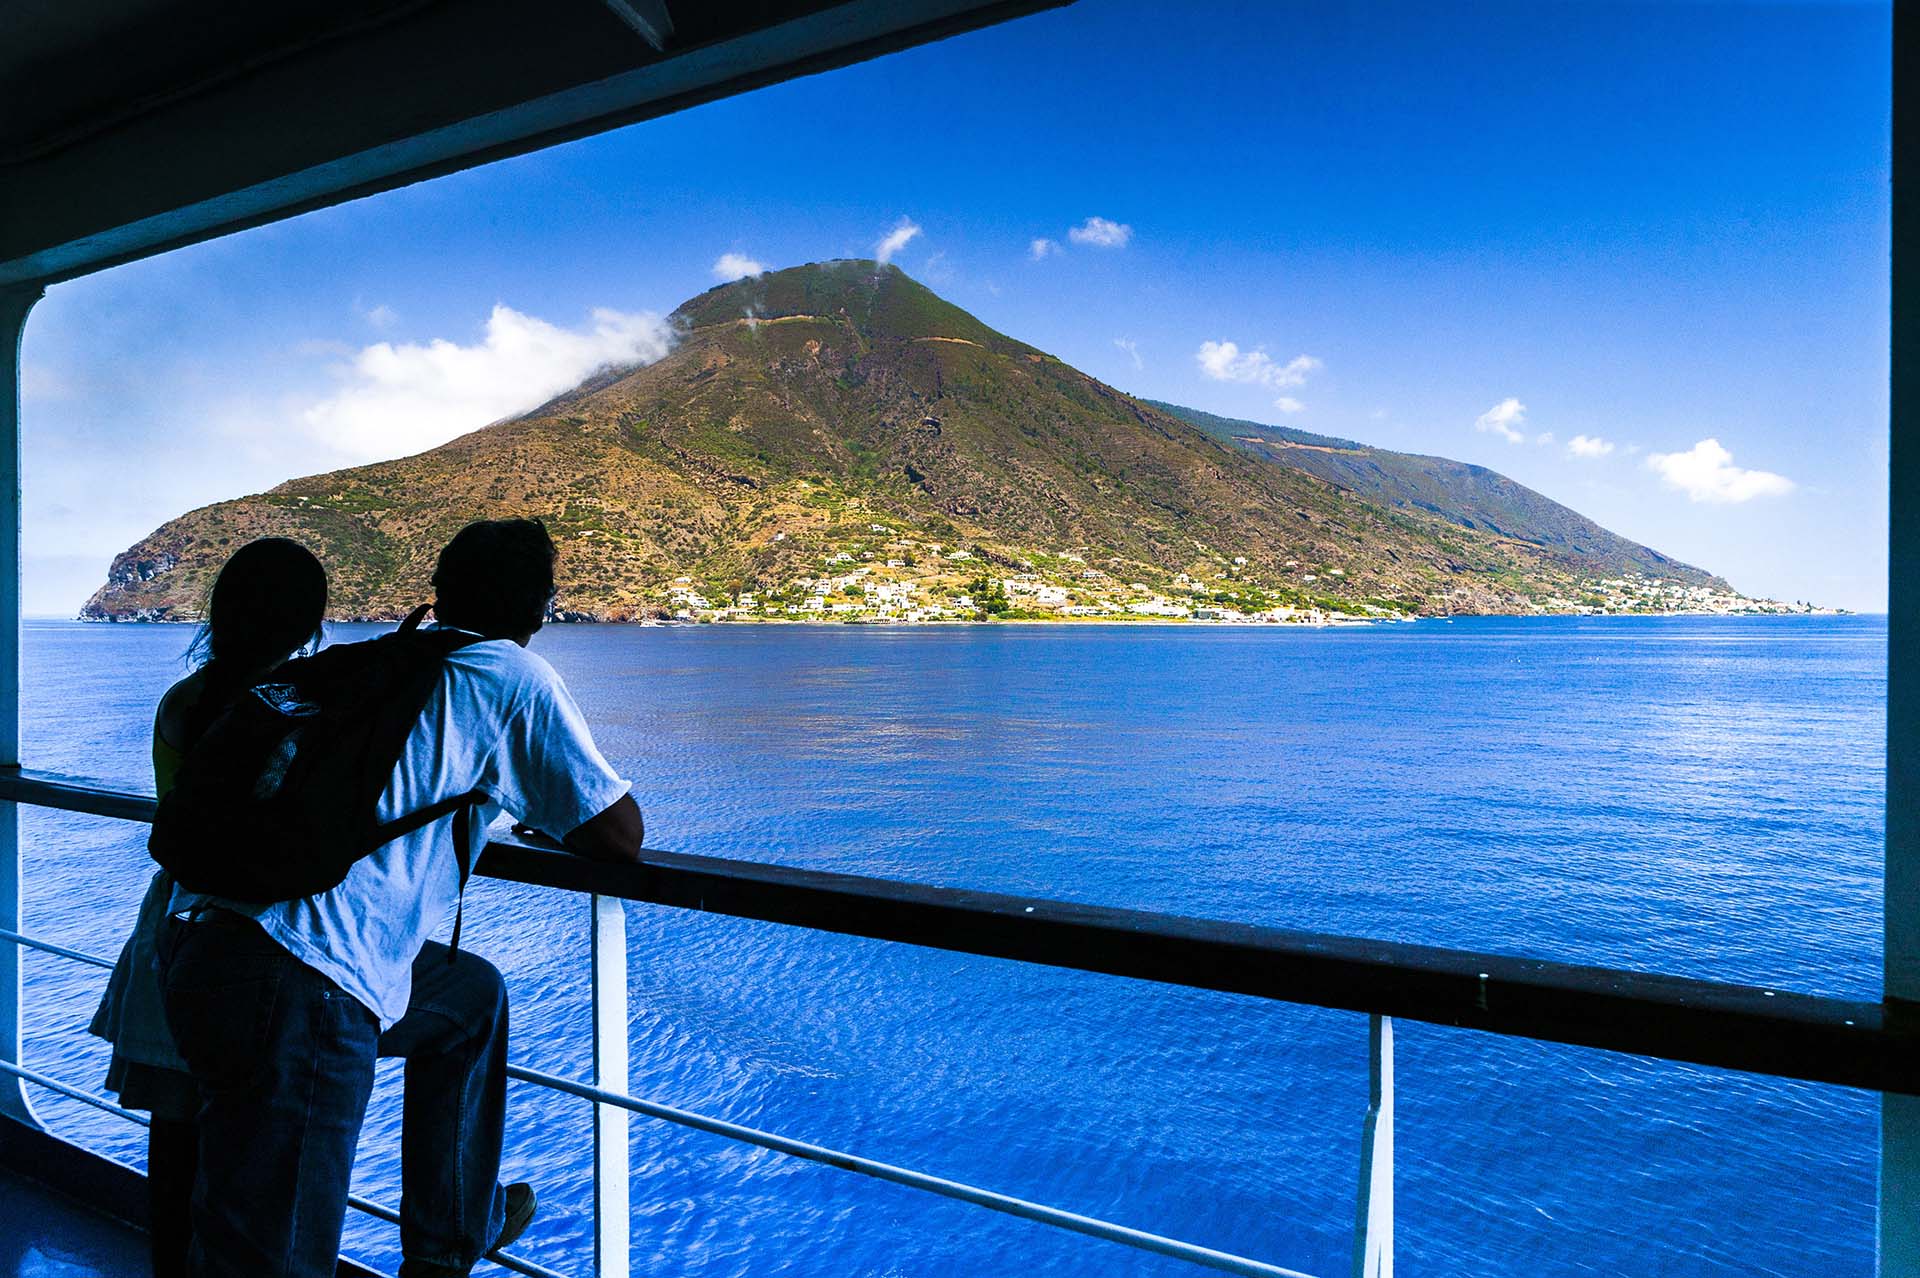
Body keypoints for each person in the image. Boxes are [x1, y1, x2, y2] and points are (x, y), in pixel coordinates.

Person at [160, 518, 646, 1278]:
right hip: (302, 985)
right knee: (271, 1262)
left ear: (443, 590)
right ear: (540, 608)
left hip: (198, 948)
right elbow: (616, 834)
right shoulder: (511, 677)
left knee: (470, 997)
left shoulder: (378, 662)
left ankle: (447, 1241)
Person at [90, 536, 330, 1278]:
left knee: (176, 1140)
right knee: (249, 1154)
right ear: (307, 624)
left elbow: (177, 810)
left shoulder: (183, 702)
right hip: (262, 938)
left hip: (175, 923)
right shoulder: (307, 712)